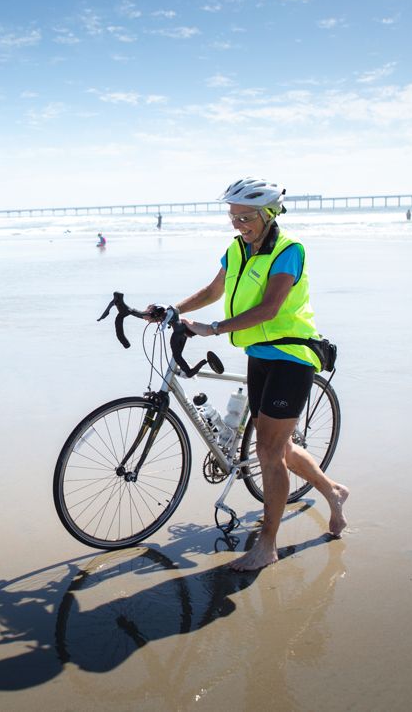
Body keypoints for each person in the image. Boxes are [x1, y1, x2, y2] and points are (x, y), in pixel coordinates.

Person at [145, 177, 349, 571]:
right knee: (280, 448)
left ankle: (267, 545)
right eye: (233, 217)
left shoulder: (289, 250)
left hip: (292, 354)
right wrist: (175, 308)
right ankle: (333, 491)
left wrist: (215, 328)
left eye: (246, 217)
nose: (239, 224)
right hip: (258, 353)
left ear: (269, 214)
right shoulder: (237, 249)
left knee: (268, 451)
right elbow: (213, 290)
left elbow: (272, 307)